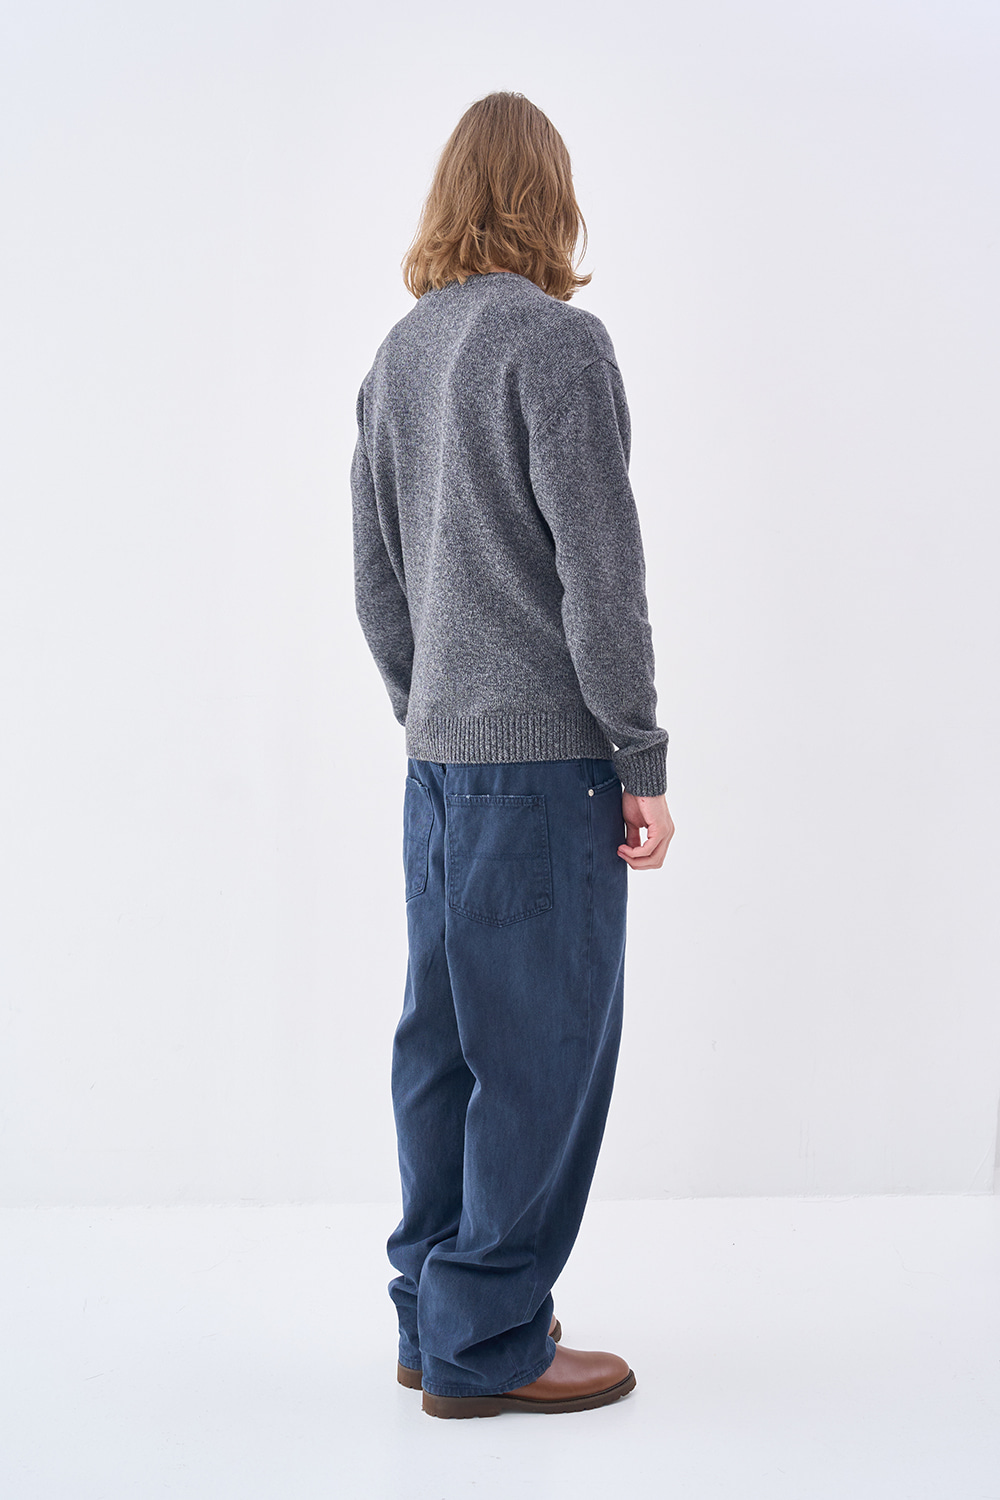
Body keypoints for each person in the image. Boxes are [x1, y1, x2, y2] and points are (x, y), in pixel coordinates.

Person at [351, 90, 675, 1419]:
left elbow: (376, 581)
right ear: (554, 201)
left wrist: (430, 713)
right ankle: (488, 1342)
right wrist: (640, 753)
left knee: (441, 1047)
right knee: (539, 1052)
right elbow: (602, 575)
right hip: (547, 772)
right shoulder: (557, 344)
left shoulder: (399, 357)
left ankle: (430, 1322)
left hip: (438, 770)